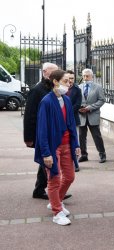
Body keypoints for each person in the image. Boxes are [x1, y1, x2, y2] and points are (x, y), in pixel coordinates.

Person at [34, 70, 80, 226]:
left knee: (70, 176)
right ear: (55, 81)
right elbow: (42, 130)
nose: (69, 83)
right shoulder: (46, 102)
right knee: (54, 179)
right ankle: (57, 212)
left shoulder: (66, 100)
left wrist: (77, 144)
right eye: (66, 81)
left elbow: (72, 124)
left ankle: (56, 201)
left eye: (69, 81)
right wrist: (46, 153)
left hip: (67, 145)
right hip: (53, 147)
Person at [24, 62, 59, 200]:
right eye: (54, 72)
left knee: (45, 162)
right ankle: (53, 190)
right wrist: (28, 137)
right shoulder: (37, 90)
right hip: (41, 133)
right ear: (45, 72)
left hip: (52, 132)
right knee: (48, 161)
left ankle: (39, 189)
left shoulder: (53, 88)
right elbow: (29, 115)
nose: (57, 75)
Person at [78, 68, 106, 163]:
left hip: (93, 115)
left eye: (87, 76)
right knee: (81, 137)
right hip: (81, 116)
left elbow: (102, 100)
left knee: (97, 136)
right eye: (84, 76)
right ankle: (84, 154)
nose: (85, 78)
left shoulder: (98, 87)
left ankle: (102, 154)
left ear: (92, 76)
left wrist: (90, 107)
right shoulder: (79, 87)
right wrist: (79, 108)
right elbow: (76, 100)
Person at [66, 70, 82, 172]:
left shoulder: (77, 89)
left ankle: (75, 163)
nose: (70, 80)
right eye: (68, 78)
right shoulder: (60, 89)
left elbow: (78, 104)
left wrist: (67, 111)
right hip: (61, 120)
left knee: (75, 141)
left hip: (73, 119)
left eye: (72, 78)